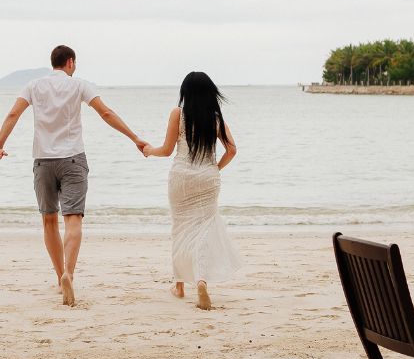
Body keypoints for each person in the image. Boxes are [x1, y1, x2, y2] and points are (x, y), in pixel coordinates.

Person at [0, 44, 146, 306]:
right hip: (73, 159)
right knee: (73, 219)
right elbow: (106, 112)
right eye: (74, 64)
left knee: (48, 220)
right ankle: (69, 273)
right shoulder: (79, 85)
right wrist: (134, 137)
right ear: (70, 62)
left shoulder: (33, 86)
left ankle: (59, 277)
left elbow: (13, 114)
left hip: (43, 161)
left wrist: (0, 144)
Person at [143, 71, 241, 310]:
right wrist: (214, 169)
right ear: (210, 93)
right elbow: (232, 150)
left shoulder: (178, 113)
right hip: (208, 178)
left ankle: (179, 286)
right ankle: (201, 280)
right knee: (204, 232)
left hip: (182, 177)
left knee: (180, 229)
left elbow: (167, 150)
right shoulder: (216, 118)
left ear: (185, 92)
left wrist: (148, 150)